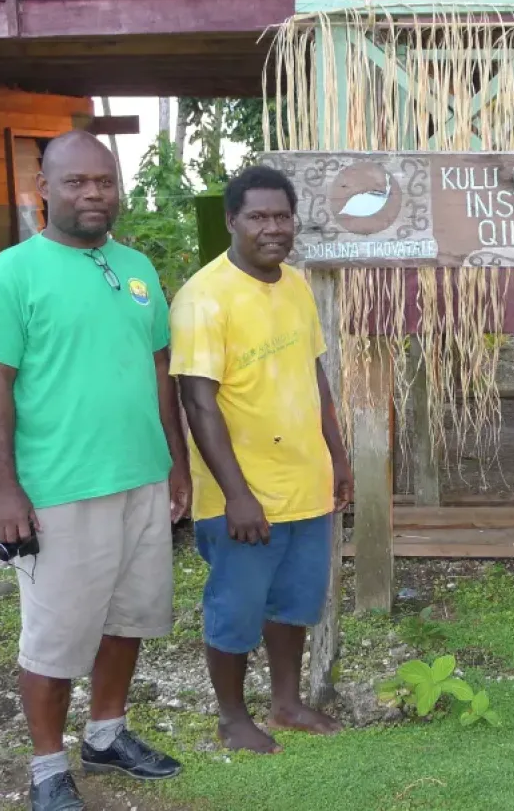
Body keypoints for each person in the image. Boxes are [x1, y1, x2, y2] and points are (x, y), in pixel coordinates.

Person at [0, 131, 191, 811]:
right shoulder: (12, 273)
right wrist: (3, 489)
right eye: (76, 182)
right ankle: (46, 770)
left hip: (142, 480)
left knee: (128, 619)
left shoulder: (138, 267)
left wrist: (177, 465)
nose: (94, 193)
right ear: (45, 188)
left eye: (104, 181)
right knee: (57, 638)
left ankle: (107, 734)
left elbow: (159, 372)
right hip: (61, 489)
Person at [169, 165, 354, 754]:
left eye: (281, 216)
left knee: (294, 603)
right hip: (241, 496)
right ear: (231, 222)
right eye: (258, 217)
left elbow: (314, 374)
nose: (272, 228)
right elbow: (197, 404)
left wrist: (338, 455)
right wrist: (237, 495)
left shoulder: (296, 285)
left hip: (305, 482)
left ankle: (287, 704)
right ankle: (231, 717)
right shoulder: (204, 297)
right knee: (236, 609)